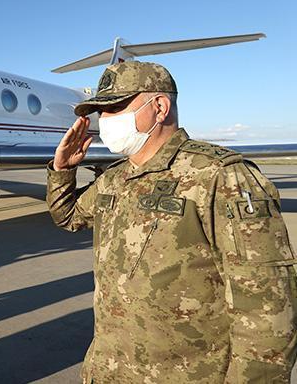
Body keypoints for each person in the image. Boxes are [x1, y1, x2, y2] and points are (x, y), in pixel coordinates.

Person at [47, 60, 297, 383]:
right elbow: (66, 215)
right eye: (101, 112)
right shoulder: (115, 180)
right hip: (109, 373)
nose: (105, 120)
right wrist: (62, 169)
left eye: (117, 107)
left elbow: (268, 318)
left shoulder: (219, 178)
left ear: (160, 107)